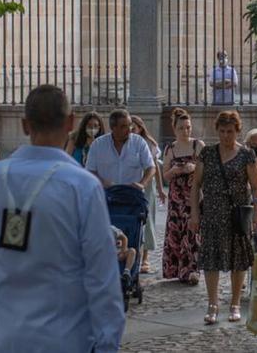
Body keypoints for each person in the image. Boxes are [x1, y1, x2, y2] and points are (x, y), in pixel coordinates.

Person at [0, 84, 125, 352]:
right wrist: (108, 343)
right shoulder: (83, 185)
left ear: (24, 124)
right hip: (65, 337)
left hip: (6, 334)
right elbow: (102, 276)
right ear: (70, 122)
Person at [189, 111, 257, 325]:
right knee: (211, 260)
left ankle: (235, 303)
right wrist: (194, 213)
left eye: (230, 131)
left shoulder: (247, 155)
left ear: (237, 131)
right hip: (212, 214)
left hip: (237, 214)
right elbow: (196, 185)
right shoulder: (207, 154)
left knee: (238, 260)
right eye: (222, 131)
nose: (225, 136)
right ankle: (212, 304)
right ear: (217, 131)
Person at [162, 108, 203, 284]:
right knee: (176, 230)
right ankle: (177, 269)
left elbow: (207, 170)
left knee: (193, 231)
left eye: (188, 127)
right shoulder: (170, 149)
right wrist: (175, 170)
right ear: (174, 129)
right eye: (181, 128)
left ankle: (193, 269)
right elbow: (165, 174)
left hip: (193, 195)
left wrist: (193, 168)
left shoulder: (198, 145)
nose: (185, 131)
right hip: (176, 196)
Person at [85, 109, 155, 191]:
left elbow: (151, 167)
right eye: (124, 126)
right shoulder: (98, 145)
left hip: (132, 196)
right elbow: (90, 170)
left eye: (130, 125)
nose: (129, 129)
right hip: (106, 196)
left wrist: (142, 184)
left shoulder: (139, 142)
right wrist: (103, 182)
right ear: (113, 128)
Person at [130, 116, 166, 274]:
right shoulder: (126, 142)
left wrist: (159, 187)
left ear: (140, 127)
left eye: (134, 127)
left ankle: (145, 257)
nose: (131, 130)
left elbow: (155, 167)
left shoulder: (149, 143)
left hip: (147, 184)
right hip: (132, 183)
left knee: (148, 218)